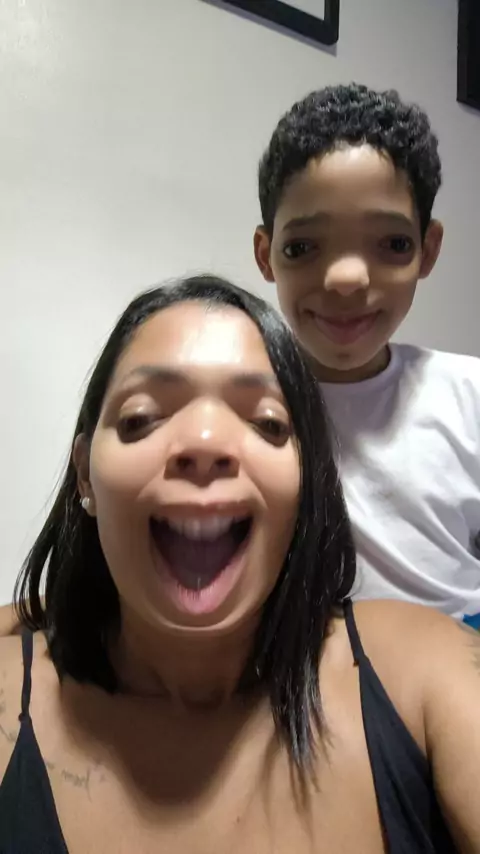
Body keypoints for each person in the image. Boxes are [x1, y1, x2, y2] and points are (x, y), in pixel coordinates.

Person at [0, 274, 479, 852]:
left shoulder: (424, 673)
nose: (205, 441)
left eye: (268, 423)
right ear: (85, 476)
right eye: (141, 418)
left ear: (305, 482)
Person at [254, 82, 480, 627]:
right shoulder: (243, 400)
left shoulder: (469, 394)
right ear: (266, 255)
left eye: (393, 244)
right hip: (305, 657)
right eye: (302, 248)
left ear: (428, 250)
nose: (347, 278)